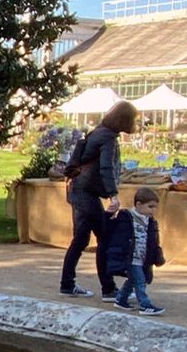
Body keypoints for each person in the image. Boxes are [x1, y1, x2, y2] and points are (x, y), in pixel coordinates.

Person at [59, 100, 137, 299]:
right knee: (104, 238)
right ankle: (108, 289)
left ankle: (67, 284)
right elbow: (106, 167)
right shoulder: (108, 138)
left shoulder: (97, 132)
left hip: (77, 189)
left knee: (81, 239)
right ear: (124, 120)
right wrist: (112, 195)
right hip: (87, 193)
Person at [102, 186, 166, 315]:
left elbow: (153, 240)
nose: (153, 210)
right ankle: (145, 305)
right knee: (140, 281)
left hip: (142, 256)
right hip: (131, 257)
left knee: (132, 280)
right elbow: (109, 228)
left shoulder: (150, 221)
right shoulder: (125, 216)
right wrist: (108, 214)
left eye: (154, 207)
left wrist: (155, 254)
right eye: (150, 207)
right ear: (138, 204)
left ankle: (121, 299)